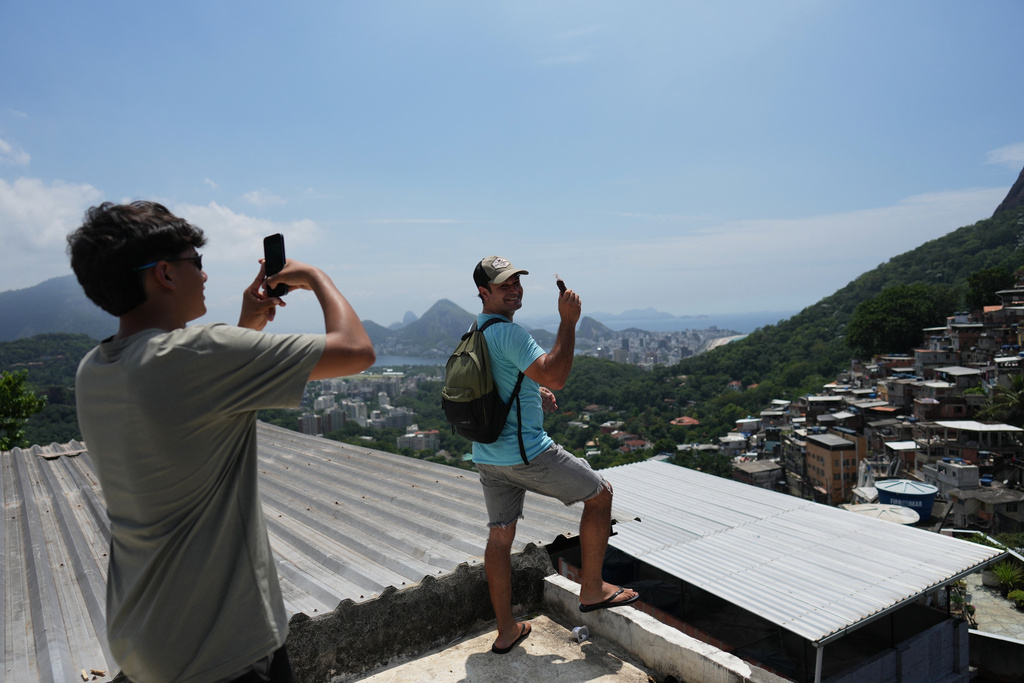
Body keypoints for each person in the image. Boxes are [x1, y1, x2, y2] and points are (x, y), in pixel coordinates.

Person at [67, 201, 375, 683]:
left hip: (143, 640)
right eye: (198, 263)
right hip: (222, 648)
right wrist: (315, 276)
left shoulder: (95, 369)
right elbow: (357, 351)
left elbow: (194, 395)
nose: (206, 276)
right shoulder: (199, 353)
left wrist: (246, 324)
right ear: (165, 273)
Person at [470, 255, 639, 655]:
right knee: (600, 494)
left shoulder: (476, 331)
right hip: (526, 453)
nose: (513, 288)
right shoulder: (510, 334)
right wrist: (568, 322)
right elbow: (557, 373)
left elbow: (495, 379)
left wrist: (533, 392)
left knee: (500, 535)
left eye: (516, 281)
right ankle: (593, 589)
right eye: (502, 284)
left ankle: (506, 630)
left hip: (487, 454)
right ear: (483, 292)